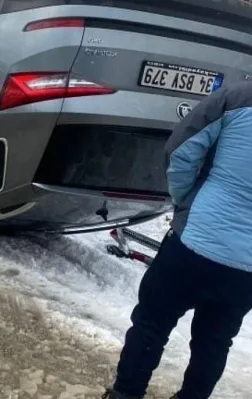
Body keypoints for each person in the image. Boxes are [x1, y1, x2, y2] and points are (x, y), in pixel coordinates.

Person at [104, 83, 252, 399]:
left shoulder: (236, 98)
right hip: (247, 267)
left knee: (152, 323)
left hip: (196, 239)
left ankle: (126, 394)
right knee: (215, 341)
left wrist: (183, 199)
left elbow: (182, 149)